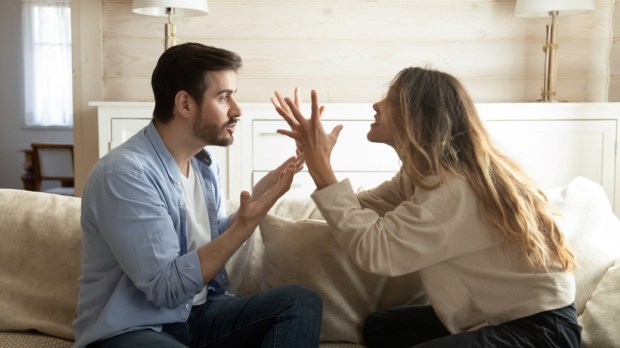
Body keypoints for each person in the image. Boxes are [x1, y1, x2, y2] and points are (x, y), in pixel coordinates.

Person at [271, 67, 580, 348]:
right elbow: (355, 211)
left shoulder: (454, 190)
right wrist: (315, 163)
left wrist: (321, 166)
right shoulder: (423, 177)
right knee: (382, 328)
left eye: (389, 99)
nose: (376, 105)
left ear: (417, 116)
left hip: (540, 331)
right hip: (502, 317)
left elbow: (378, 250)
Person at [73, 42, 322, 348]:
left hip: (196, 316)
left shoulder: (204, 165)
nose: (237, 110)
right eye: (223, 97)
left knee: (300, 302)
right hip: (136, 330)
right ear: (185, 104)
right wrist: (246, 224)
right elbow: (167, 289)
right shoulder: (125, 175)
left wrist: (267, 193)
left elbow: (213, 244)